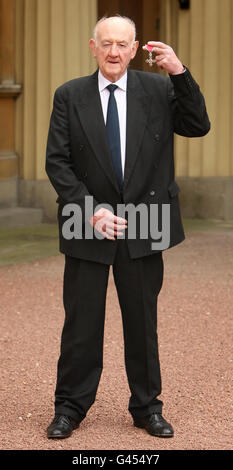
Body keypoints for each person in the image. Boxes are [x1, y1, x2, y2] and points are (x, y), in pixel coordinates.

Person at [45, 15, 210, 439]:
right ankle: (69, 408)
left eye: (122, 44)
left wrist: (180, 72)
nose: (114, 52)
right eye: (106, 44)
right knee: (81, 323)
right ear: (93, 46)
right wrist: (89, 210)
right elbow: (57, 162)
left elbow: (197, 125)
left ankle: (146, 408)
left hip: (145, 219)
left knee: (142, 322)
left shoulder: (159, 88)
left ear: (135, 49)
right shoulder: (69, 95)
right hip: (86, 222)